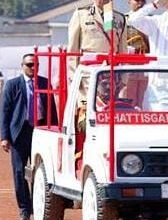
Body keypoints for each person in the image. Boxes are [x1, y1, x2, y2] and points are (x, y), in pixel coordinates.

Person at [0, 54, 58, 220]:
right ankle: (25, 208)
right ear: (22, 66)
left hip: (40, 131)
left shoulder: (44, 83)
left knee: (40, 171)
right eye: (30, 64)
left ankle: (37, 204)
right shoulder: (13, 85)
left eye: (36, 65)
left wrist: (54, 130)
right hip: (19, 132)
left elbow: (51, 109)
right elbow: (4, 112)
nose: (33, 68)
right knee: (19, 172)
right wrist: (4, 137)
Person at [67, 0, 128, 80]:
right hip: (88, 72)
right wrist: (74, 77)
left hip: (111, 72)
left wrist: (124, 79)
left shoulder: (119, 18)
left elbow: (122, 51)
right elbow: (73, 51)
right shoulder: (81, 15)